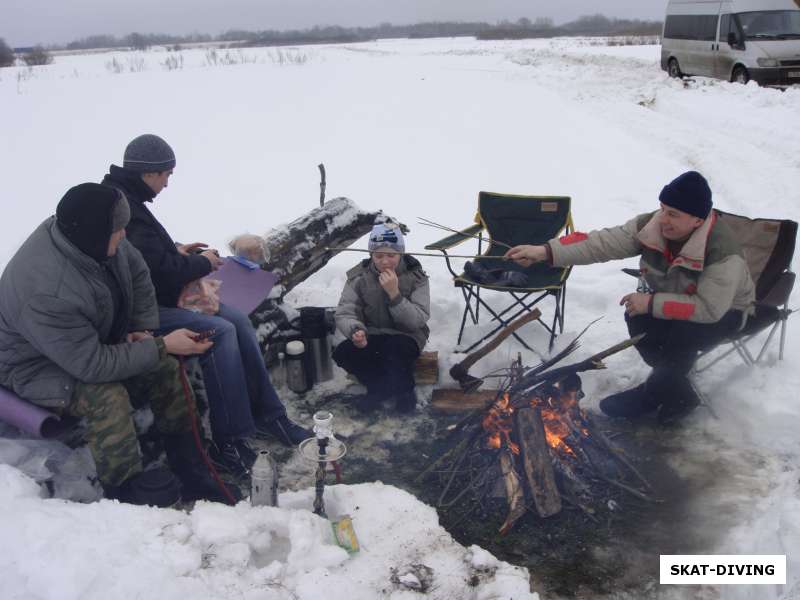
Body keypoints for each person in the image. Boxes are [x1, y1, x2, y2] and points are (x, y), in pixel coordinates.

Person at [0, 183, 235, 506]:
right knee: (107, 396)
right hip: (35, 366)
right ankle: (125, 493)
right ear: (94, 234)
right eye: (118, 230)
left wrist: (142, 329)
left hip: (83, 343)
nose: (124, 235)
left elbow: (137, 272)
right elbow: (92, 366)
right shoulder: (46, 292)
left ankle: (190, 467)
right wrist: (160, 345)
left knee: (165, 368)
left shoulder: (95, 239)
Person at [101, 134, 311, 477]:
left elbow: (150, 256)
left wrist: (182, 251)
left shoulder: (131, 201)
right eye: (166, 174)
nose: (168, 183)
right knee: (221, 331)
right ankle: (231, 440)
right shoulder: (124, 208)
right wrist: (203, 264)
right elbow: (158, 271)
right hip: (142, 311)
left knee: (239, 321)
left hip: (156, 297)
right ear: (149, 172)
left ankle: (270, 417)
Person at [505, 171, 755, 425]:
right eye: (663, 209)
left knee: (682, 334)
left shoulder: (722, 252)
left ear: (697, 220)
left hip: (727, 313)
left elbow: (709, 308)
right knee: (638, 317)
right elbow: (601, 243)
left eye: (673, 214)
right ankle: (673, 387)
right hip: (675, 301)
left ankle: (656, 392)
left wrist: (651, 302)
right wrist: (545, 252)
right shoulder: (652, 226)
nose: (663, 220)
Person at [333, 222, 431, 413]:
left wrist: (394, 294)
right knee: (342, 353)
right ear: (371, 255)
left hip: (407, 336)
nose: (385, 261)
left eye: (391, 255)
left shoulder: (416, 276)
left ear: (400, 254)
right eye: (378, 256)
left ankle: (404, 391)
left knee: (394, 350)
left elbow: (417, 320)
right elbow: (346, 310)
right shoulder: (359, 276)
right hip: (372, 333)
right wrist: (356, 330)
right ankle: (378, 389)